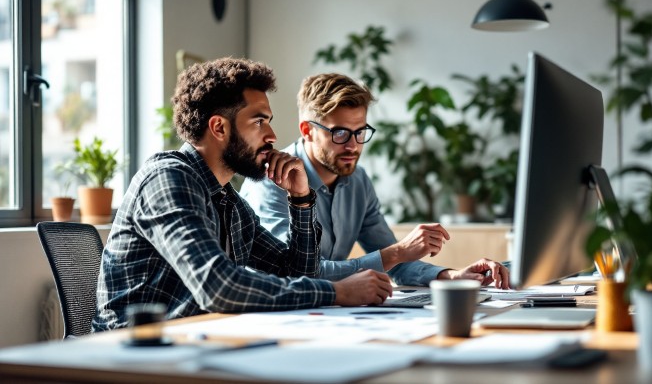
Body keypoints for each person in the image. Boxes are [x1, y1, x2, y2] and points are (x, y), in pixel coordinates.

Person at [92, 59, 393, 331]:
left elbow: (298, 272)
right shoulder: (168, 179)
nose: (272, 135)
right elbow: (217, 286)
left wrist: (301, 200)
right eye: (259, 121)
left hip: (192, 346)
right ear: (219, 127)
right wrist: (337, 292)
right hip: (129, 354)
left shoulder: (229, 201)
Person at [241, 73, 509, 287]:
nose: (353, 146)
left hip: (327, 312)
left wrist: (451, 276)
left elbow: (397, 263)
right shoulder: (270, 181)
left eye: (360, 132)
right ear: (307, 130)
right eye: (340, 133)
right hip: (272, 313)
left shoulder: (357, 181)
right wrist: (396, 253)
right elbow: (295, 273)